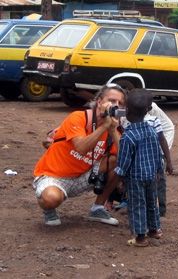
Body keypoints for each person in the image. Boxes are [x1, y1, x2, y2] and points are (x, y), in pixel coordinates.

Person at [32, 84, 126, 226]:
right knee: (51, 198)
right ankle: (49, 208)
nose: (116, 106)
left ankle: (98, 208)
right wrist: (105, 127)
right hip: (53, 175)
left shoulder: (113, 127)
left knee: (118, 161)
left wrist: (113, 130)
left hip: (82, 176)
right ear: (99, 102)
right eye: (112, 101)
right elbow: (81, 148)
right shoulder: (78, 117)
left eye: (120, 103)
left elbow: (124, 158)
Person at [115, 89, 163, 247]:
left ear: (127, 111)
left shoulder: (128, 136)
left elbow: (124, 161)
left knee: (137, 205)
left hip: (135, 178)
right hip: (151, 175)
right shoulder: (151, 130)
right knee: (151, 202)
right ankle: (154, 230)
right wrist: (158, 171)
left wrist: (119, 178)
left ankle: (140, 237)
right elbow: (157, 153)